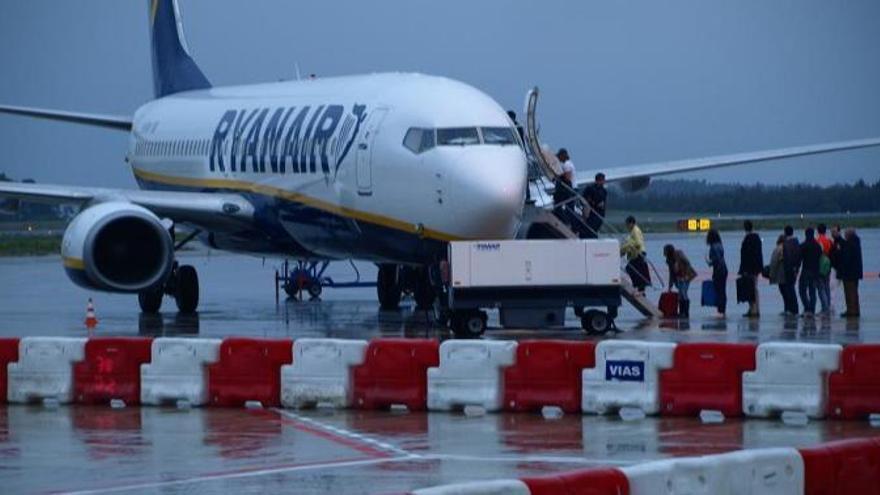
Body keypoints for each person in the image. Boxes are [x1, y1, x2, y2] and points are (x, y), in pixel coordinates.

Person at [738, 220, 764, 317]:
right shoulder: (757, 238)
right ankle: (756, 308)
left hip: (749, 268)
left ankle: (752, 309)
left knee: (750, 288)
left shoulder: (747, 239)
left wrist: (743, 269)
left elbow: (745, 256)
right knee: (755, 287)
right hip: (756, 267)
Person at [836, 228, 863, 318]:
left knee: (849, 293)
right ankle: (855, 310)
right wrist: (838, 238)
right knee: (854, 293)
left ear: (848, 235)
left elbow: (846, 259)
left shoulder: (849, 244)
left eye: (845, 234)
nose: (845, 235)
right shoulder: (855, 242)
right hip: (855, 272)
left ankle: (851, 311)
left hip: (849, 273)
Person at [664, 244, 697, 318]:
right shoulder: (668, 260)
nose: (664, 253)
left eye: (665, 251)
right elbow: (671, 273)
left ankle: (685, 313)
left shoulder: (679, 253)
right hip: (678, 277)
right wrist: (670, 286)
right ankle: (682, 312)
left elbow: (688, 263)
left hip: (687, 275)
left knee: (683, 293)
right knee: (680, 295)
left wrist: (685, 276)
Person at [621, 216, 650, 294]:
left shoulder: (635, 230)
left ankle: (639, 288)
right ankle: (640, 289)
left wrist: (629, 247)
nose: (626, 226)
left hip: (639, 254)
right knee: (636, 270)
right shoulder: (632, 232)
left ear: (631, 223)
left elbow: (637, 243)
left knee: (632, 269)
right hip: (636, 254)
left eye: (627, 224)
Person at [798, 227, 822, 317]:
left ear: (806, 234)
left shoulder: (803, 245)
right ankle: (812, 310)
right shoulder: (818, 246)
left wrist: (796, 269)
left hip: (806, 270)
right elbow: (820, 256)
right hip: (815, 271)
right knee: (813, 291)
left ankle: (807, 308)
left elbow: (799, 258)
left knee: (802, 290)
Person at [706, 229, 728, 317]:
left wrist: (709, 262)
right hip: (724, 269)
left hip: (718, 270)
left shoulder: (713, 247)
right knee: (722, 290)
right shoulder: (720, 245)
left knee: (719, 291)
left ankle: (720, 310)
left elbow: (717, 260)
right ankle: (723, 309)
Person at [780, 225, 801, 316]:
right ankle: (793, 309)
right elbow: (798, 257)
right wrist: (797, 268)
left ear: (785, 232)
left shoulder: (786, 244)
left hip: (788, 270)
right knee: (791, 289)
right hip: (795, 269)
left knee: (789, 290)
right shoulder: (796, 242)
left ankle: (792, 309)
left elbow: (787, 258)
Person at [581, 173, 607, 239]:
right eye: (602, 180)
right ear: (597, 180)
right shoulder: (590, 188)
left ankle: (593, 239)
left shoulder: (604, 191)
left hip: (600, 214)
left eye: (603, 180)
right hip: (591, 213)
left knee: (594, 229)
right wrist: (593, 203)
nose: (603, 182)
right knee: (589, 229)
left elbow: (603, 202)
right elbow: (583, 199)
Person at [815, 224, 833, 314]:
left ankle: (825, 308)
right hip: (828, 265)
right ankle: (828, 306)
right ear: (825, 231)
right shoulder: (829, 241)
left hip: (819, 266)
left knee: (821, 288)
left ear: (818, 231)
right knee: (827, 287)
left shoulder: (817, 241)